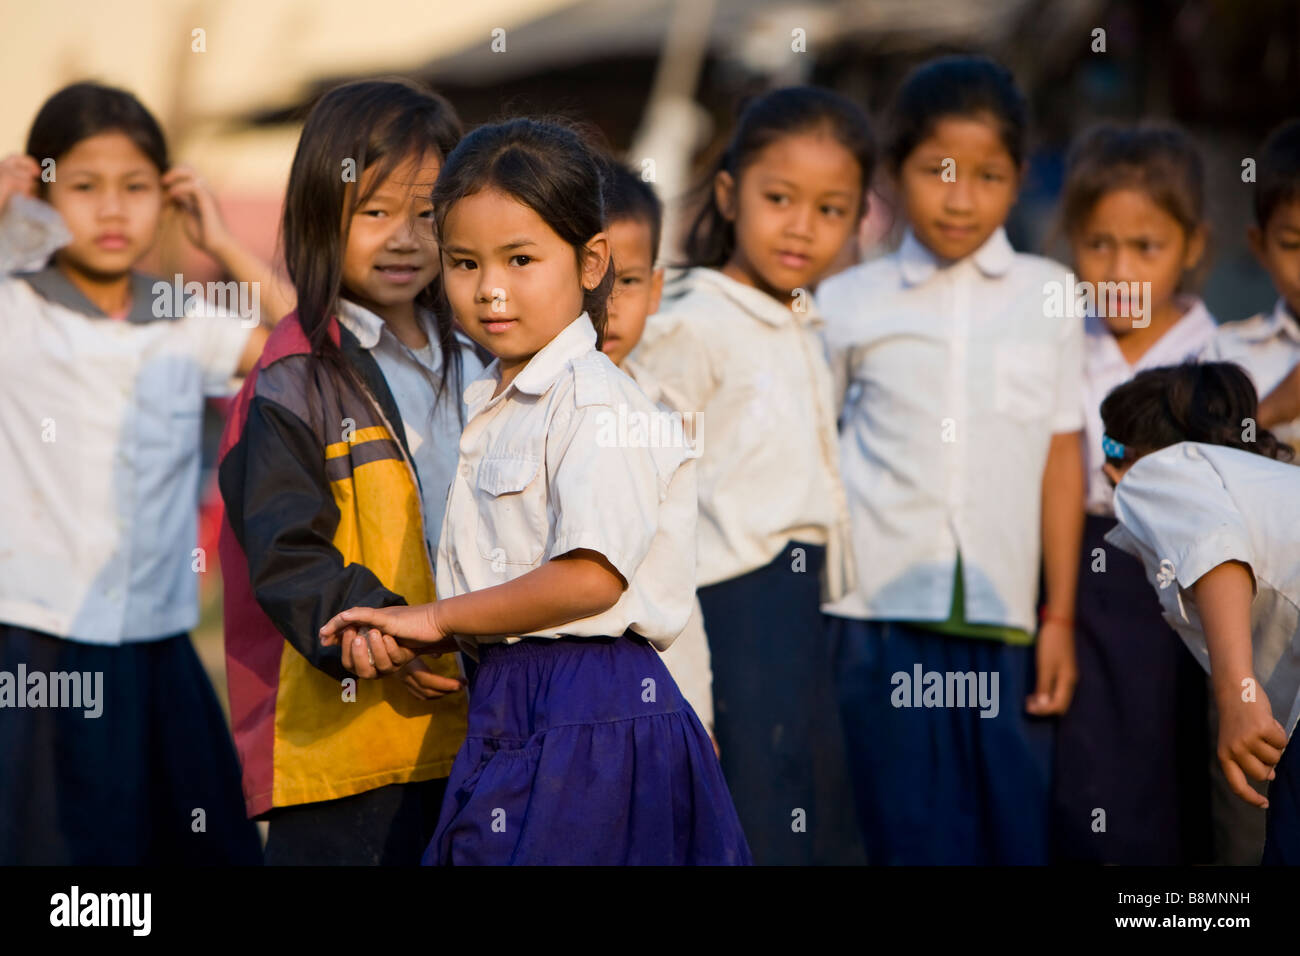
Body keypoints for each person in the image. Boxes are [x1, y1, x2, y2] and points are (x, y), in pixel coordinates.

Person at [318, 117, 751, 866]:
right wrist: (452, 635)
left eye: (521, 259)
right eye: (463, 263)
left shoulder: (598, 404)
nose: (489, 290)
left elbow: (590, 577)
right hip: (512, 699)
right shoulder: (496, 399)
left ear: (591, 262)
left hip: (594, 712)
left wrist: (437, 617)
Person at [0, 81, 280, 864]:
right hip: (34, 643)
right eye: (83, 187)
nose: (113, 211)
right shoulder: (14, 311)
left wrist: (223, 243)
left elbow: (307, 352)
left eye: (137, 188)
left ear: (170, 194)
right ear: (41, 189)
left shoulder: (189, 321)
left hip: (154, 643)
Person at [818, 55, 1083, 864]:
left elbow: (1061, 456)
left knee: (1013, 826)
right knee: (899, 830)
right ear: (893, 173)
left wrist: (1060, 616)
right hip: (875, 618)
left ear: (1020, 177)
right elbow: (816, 456)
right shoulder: (847, 301)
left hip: (1005, 617)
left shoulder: (1050, 294)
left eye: (988, 174)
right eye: (938, 171)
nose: (961, 196)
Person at [217, 79, 482, 864]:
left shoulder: (483, 357)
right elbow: (287, 551)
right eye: (375, 211)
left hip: (475, 729)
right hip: (342, 752)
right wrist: (378, 631)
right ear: (315, 213)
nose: (405, 237)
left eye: (429, 212)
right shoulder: (291, 378)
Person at [631, 86, 873, 865]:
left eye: (832, 209)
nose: (803, 226)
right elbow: (651, 490)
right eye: (779, 198)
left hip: (805, 608)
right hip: (729, 608)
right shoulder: (693, 324)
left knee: (810, 810)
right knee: (756, 819)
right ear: (731, 194)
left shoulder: (803, 319)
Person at [1052, 124, 1215, 864]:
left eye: (1145, 248)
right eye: (1098, 245)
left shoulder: (1219, 359)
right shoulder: (1057, 342)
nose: (1118, 270)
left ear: (1194, 246)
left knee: (1177, 753)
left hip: (1191, 580)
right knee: (1090, 768)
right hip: (1080, 569)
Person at [1100, 362, 1299, 864]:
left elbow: (1214, 549)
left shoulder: (1158, 471)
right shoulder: (1253, 478)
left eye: (1109, 446)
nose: (1103, 466)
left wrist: (1238, 691)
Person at [595, 154, 716, 749]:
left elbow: (676, 585)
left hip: (667, 704)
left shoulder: (664, 412)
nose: (609, 305)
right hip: (572, 705)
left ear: (658, 287)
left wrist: (699, 714)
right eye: (593, 279)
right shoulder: (507, 407)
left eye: (631, 281)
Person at [1204, 119, 1300, 454]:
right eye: (1292, 244)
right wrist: (1272, 409)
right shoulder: (1228, 355)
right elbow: (1200, 466)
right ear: (1260, 246)